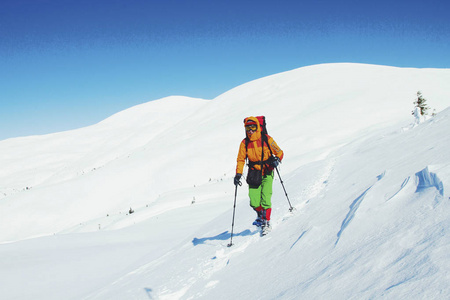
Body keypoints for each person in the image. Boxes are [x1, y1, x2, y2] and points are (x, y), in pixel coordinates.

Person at [234, 116, 284, 234]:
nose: (250, 130)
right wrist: (238, 174)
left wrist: (277, 159)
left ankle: (266, 222)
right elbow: (241, 159)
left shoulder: (266, 139)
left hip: (267, 171)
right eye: (248, 127)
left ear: (257, 127)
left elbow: (279, 152)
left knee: (266, 197)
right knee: (254, 201)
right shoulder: (244, 143)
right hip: (254, 173)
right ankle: (260, 214)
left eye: (253, 127)